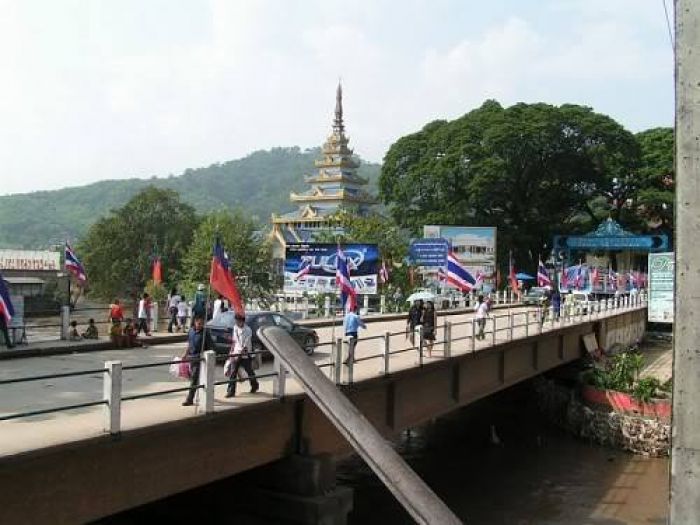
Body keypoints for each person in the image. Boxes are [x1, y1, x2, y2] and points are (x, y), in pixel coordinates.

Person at [182, 316, 215, 406]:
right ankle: (205, 394)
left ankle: (190, 399)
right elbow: (189, 344)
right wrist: (185, 354)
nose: (200, 325)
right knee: (195, 378)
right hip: (191, 357)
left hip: (200, 358)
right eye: (198, 323)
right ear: (195, 322)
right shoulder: (191, 331)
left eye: (202, 323)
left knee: (194, 379)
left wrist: (204, 353)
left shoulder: (205, 334)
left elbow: (211, 347)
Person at [225, 313, 259, 398]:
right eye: (236, 321)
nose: (237, 322)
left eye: (238, 321)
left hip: (245, 354)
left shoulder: (248, 330)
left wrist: (240, 354)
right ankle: (231, 391)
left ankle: (254, 385)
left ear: (242, 321)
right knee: (233, 372)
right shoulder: (235, 328)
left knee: (249, 371)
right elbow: (234, 340)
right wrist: (231, 352)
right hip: (236, 352)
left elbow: (246, 344)